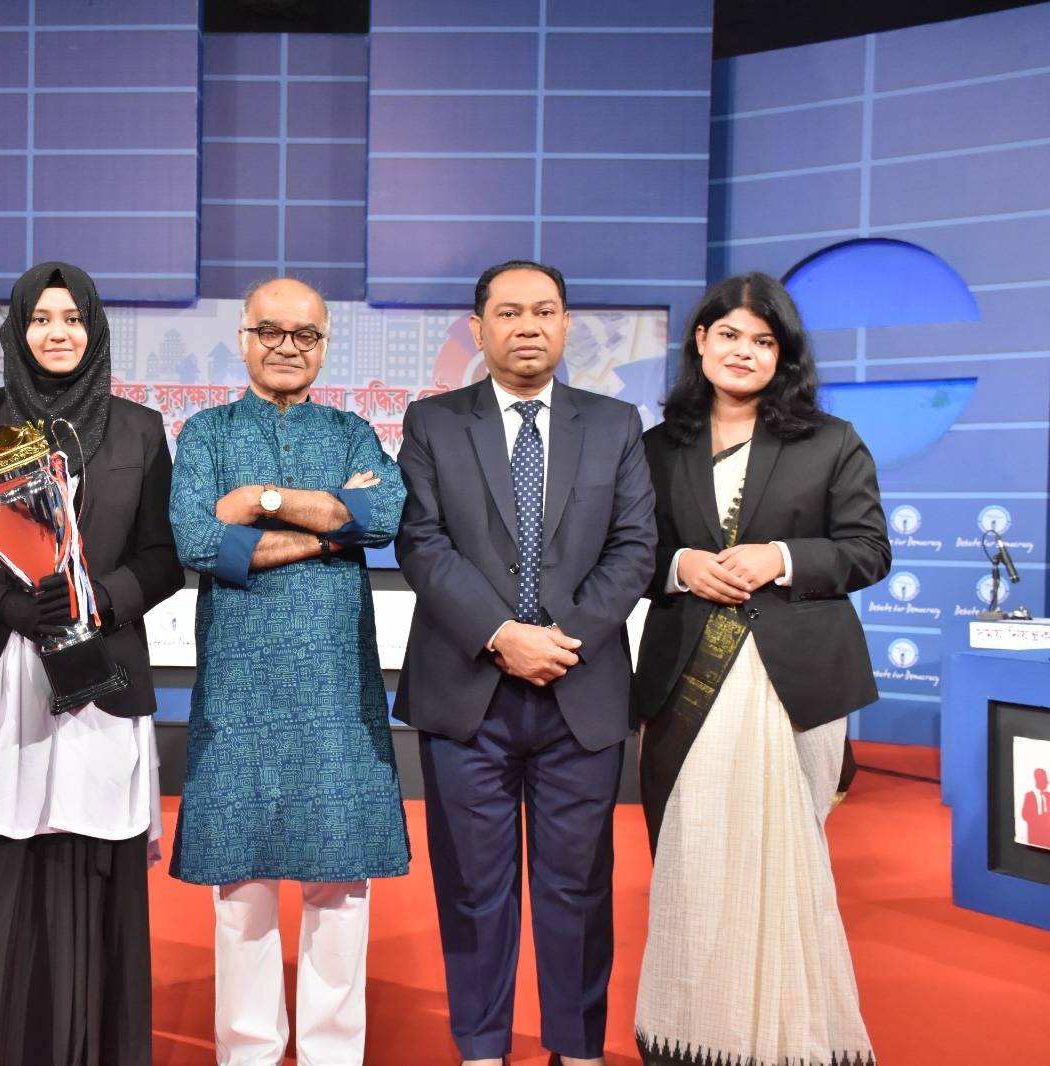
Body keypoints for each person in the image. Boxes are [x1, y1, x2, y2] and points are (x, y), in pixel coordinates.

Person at [0, 261, 183, 1066]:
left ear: (95, 330)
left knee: (85, 864)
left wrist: (98, 597)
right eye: (40, 319)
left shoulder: (138, 428)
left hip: (96, 679)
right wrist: (5, 603)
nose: (57, 333)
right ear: (17, 330)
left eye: (72, 318)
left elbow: (163, 558)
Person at [395, 260, 655, 1066]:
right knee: (473, 886)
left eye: (544, 311)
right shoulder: (433, 422)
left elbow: (635, 547)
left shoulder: (615, 424)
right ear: (479, 329)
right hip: (468, 690)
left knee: (578, 886)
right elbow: (422, 542)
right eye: (509, 313)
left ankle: (576, 1046)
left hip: (581, 690)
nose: (529, 326)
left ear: (567, 324)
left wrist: (559, 639)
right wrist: (502, 634)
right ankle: (482, 1047)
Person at [633, 272, 888, 1066]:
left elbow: (868, 550)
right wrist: (680, 567)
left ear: (784, 354)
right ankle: (694, 1039)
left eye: (763, 340)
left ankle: (790, 1042)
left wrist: (780, 557)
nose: (744, 352)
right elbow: (627, 553)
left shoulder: (830, 440)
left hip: (797, 681)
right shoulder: (656, 447)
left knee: (787, 866)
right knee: (696, 858)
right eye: (730, 335)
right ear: (701, 341)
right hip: (686, 679)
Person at [169, 277, 409, 1066]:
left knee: (341, 884)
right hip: (239, 685)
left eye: (305, 335)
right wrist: (329, 526)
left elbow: (382, 515)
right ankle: (248, 1052)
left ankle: (334, 1053)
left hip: (337, 685)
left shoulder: (352, 432)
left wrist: (261, 499)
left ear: (325, 346)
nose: (286, 347)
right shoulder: (205, 433)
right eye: (270, 331)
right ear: (243, 340)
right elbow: (198, 541)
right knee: (241, 887)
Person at [1023, 768, 1050, 847]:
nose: (1047, 782)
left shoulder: (1048, 796)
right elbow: (1025, 814)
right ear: (1038, 780)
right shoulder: (1029, 796)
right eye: (1045, 779)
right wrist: (1039, 820)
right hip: (1035, 838)